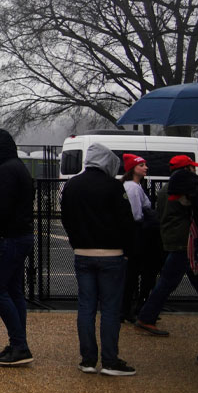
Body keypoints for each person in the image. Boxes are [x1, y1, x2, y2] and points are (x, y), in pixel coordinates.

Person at [60, 142, 138, 376]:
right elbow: (126, 221)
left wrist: (76, 241)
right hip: (111, 254)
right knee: (110, 309)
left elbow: (66, 218)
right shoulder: (114, 187)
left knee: (86, 307)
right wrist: (128, 249)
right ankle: (110, 361)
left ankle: (88, 359)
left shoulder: (72, 185)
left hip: (83, 253)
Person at [0, 128, 35, 366]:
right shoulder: (17, 168)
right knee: (13, 292)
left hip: (6, 239)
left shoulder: (6, 172)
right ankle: (17, 343)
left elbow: (0, 209)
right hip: (19, 237)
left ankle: (20, 345)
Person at [135, 155, 198, 336]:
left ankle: (146, 316)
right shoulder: (182, 189)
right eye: (192, 167)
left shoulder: (166, 189)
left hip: (174, 240)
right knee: (168, 282)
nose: (194, 170)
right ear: (186, 169)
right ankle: (146, 317)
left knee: (167, 281)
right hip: (184, 242)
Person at [118, 154, 162, 323]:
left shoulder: (130, 186)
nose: (146, 167)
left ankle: (127, 308)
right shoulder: (134, 188)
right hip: (138, 236)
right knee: (134, 273)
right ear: (133, 168)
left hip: (134, 236)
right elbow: (136, 215)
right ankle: (128, 309)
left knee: (131, 274)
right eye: (141, 165)